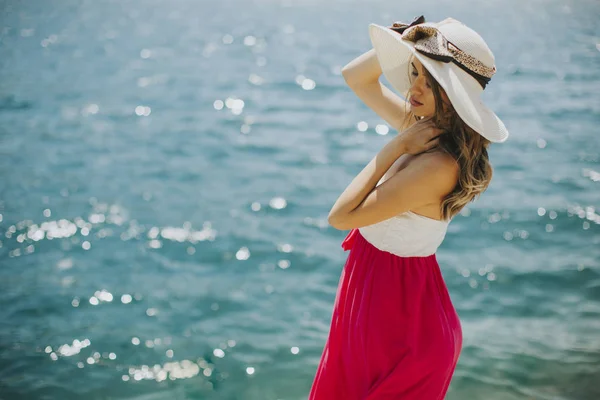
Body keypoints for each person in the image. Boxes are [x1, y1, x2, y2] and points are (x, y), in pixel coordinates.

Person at [308, 16, 509, 399]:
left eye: (427, 82)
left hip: (401, 330)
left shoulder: (435, 164)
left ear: (450, 95)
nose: (412, 87)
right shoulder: (426, 131)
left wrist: (392, 149)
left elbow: (341, 217)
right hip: (380, 304)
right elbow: (356, 76)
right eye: (413, 71)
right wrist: (406, 40)